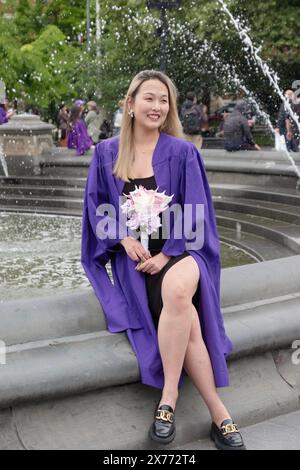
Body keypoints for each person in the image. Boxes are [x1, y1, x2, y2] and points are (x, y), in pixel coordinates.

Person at [81, 70, 246, 450]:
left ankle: (167, 398)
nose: (157, 106)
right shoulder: (107, 153)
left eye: (163, 100)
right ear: (131, 104)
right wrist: (122, 237)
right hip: (136, 260)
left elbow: (196, 210)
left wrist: (168, 252)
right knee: (183, 313)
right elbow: (97, 207)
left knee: (176, 288)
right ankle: (219, 414)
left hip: (184, 251)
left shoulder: (182, 151)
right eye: (149, 98)